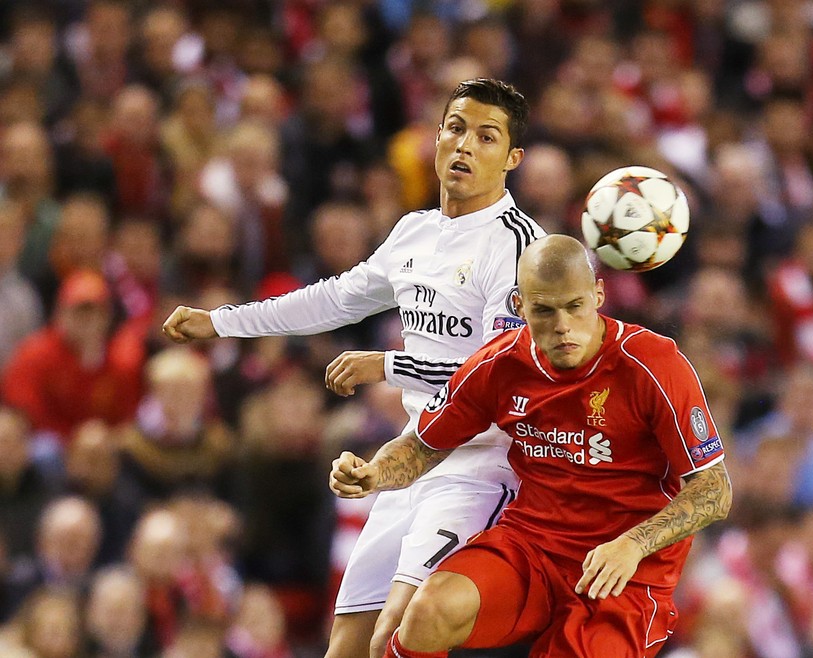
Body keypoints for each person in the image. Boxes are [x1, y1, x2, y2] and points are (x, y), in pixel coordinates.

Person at [161, 78, 544, 658]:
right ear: (437, 136)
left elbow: (493, 381)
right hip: (409, 457)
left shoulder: (516, 245)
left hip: (476, 468)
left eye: (486, 137)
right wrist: (222, 321)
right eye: (456, 128)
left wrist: (386, 365)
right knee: (346, 645)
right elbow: (333, 299)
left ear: (512, 159)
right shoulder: (414, 231)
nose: (465, 146)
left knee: (400, 629)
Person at [330, 235, 733, 657]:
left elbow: (715, 490)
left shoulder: (653, 365)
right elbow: (425, 445)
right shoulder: (499, 364)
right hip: (533, 547)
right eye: (544, 310)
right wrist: (375, 473)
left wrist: (634, 544)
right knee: (430, 610)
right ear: (519, 306)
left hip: (625, 572)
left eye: (574, 306)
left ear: (598, 294)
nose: (562, 326)